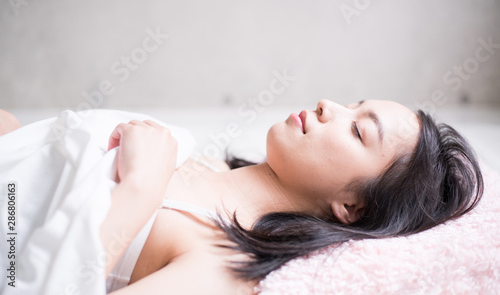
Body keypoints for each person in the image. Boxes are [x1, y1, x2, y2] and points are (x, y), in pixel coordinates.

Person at [0, 99, 483, 294]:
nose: (327, 106)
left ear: (351, 208)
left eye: (358, 129)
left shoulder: (220, 266)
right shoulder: (200, 163)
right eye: (352, 100)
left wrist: (138, 192)